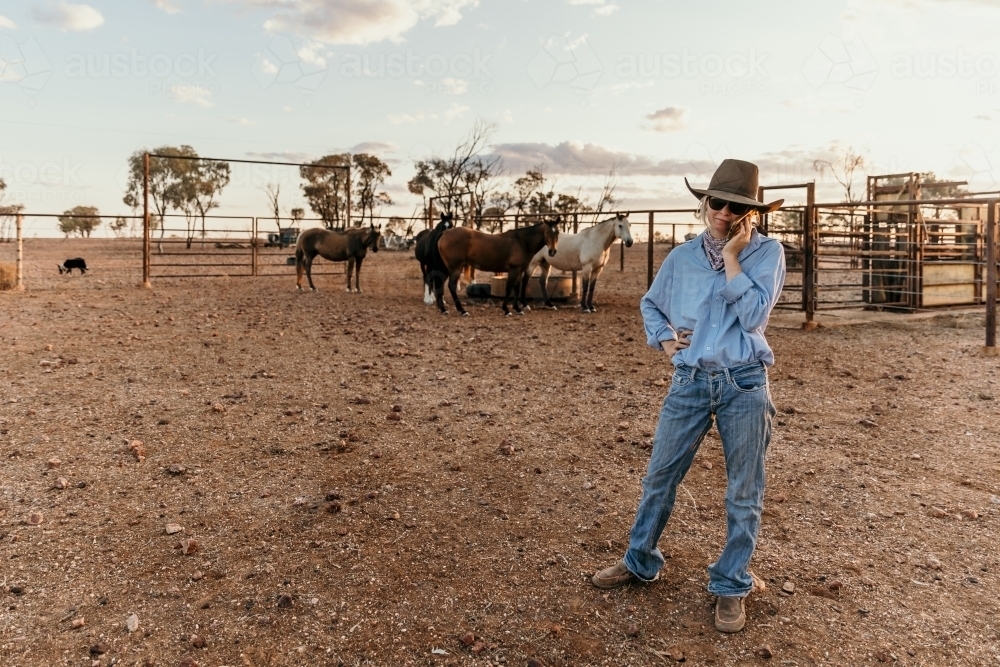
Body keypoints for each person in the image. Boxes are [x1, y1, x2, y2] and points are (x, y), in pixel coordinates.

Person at [591, 159, 786, 633]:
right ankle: (640, 559)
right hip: (691, 380)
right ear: (704, 203)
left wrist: (736, 257)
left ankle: (731, 582)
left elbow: (755, 316)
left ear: (751, 214)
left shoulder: (768, 253)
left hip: (744, 382)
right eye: (717, 202)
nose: (723, 212)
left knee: (744, 491)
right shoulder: (681, 258)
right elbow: (651, 303)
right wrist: (663, 341)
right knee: (660, 475)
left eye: (737, 207)